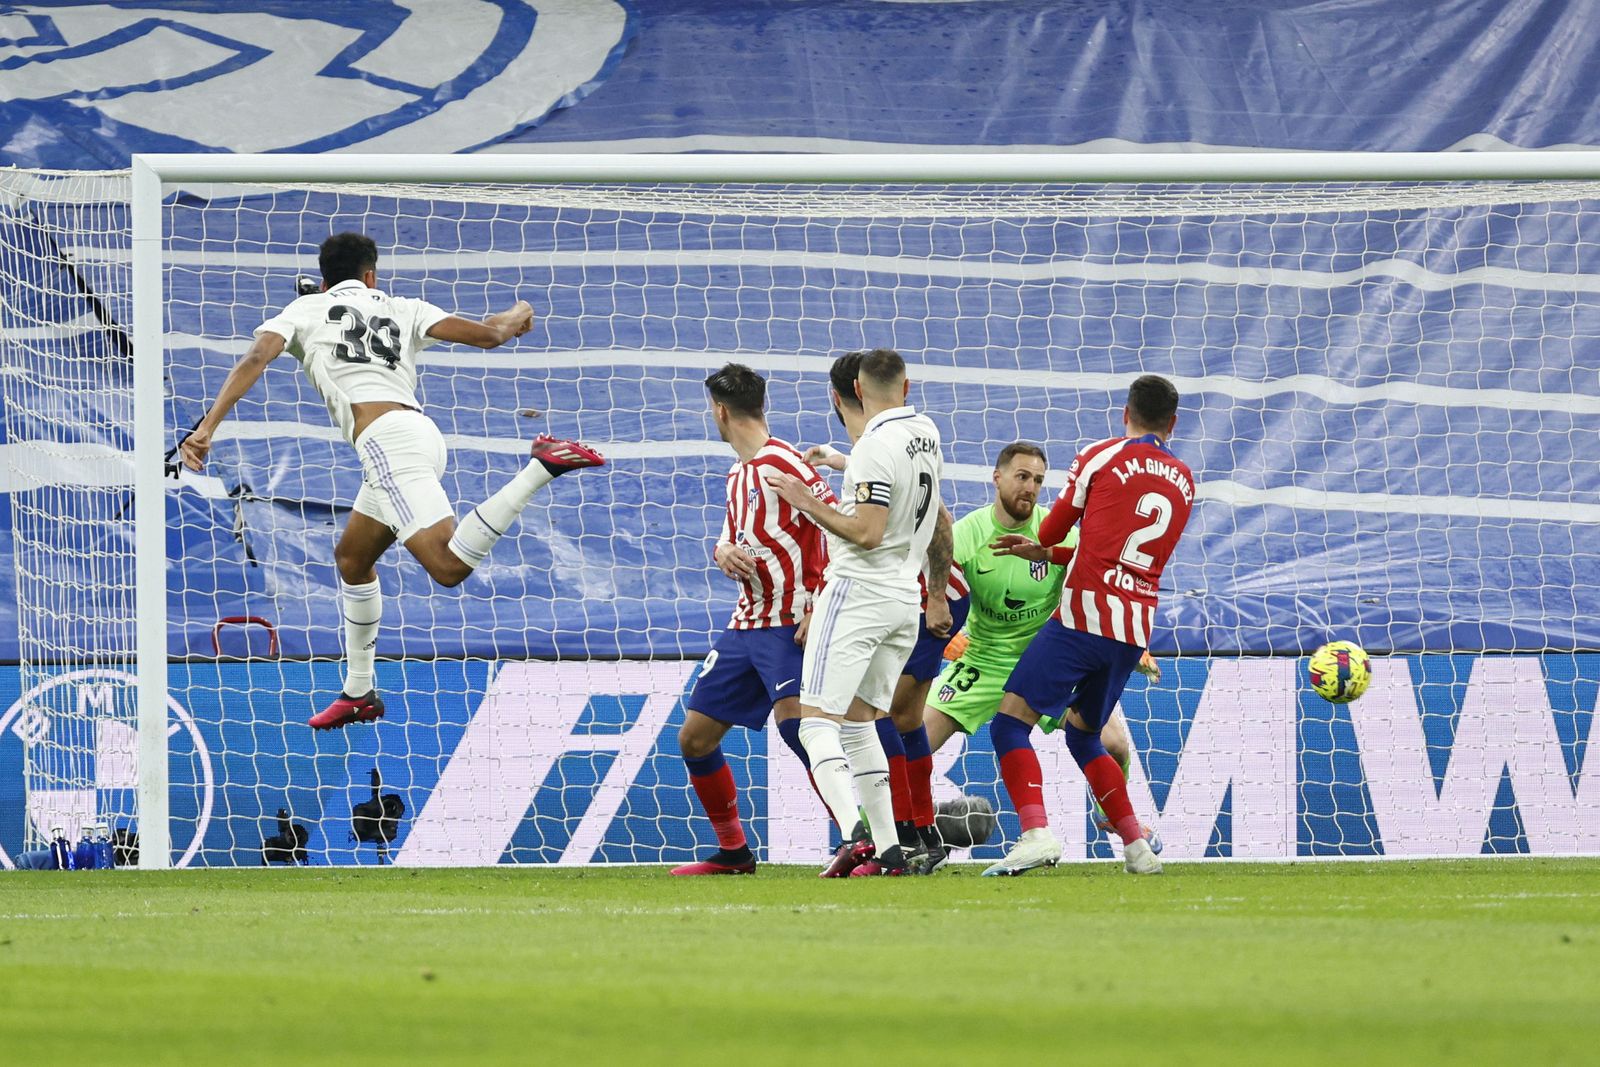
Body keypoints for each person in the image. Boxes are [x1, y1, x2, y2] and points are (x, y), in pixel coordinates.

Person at [179, 231, 604, 730]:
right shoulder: (404, 307)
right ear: (370, 276)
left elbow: (255, 359)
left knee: (447, 566)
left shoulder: (301, 312)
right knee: (353, 559)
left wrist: (206, 427)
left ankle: (542, 466)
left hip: (386, 444)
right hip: (421, 433)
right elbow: (489, 334)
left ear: (322, 278)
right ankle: (359, 691)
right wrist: (516, 315)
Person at [983, 375, 1194, 876]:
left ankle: (1035, 835)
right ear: (1173, 423)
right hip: (1133, 629)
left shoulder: (1103, 455)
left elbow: (1055, 527)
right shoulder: (1185, 479)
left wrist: (1047, 545)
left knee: (1010, 724)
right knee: (1083, 736)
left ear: (1127, 413)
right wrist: (1055, 553)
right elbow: (1123, 551)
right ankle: (1137, 849)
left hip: (1083, 618)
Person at [921, 443, 1163, 859]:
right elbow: (934, 585)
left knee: (1116, 744)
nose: (1029, 487)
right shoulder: (969, 533)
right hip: (984, 659)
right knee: (914, 742)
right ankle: (888, 831)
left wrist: (1130, 641)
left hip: (1048, 659)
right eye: (1021, 476)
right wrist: (944, 630)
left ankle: (1109, 813)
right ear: (997, 478)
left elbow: (1096, 586)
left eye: (1036, 479)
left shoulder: (1059, 532)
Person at [765, 349, 952, 877]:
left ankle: (854, 832)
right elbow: (925, 501)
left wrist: (805, 499)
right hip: (902, 598)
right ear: (907, 388)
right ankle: (891, 848)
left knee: (813, 722)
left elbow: (867, 532)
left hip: (859, 593)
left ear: (847, 392)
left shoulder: (872, 444)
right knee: (859, 721)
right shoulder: (925, 431)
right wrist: (838, 459)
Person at [671, 364, 836, 876]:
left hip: (791, 621)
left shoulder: (785, 464)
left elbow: (845, 530)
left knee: (799, 733)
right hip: (747, 624)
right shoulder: (739, 473)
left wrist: (821, 603)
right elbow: (731, 536)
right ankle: (735, 853)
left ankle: (868, 840)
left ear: (720, 412)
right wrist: (720, 551)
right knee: (695, 738)